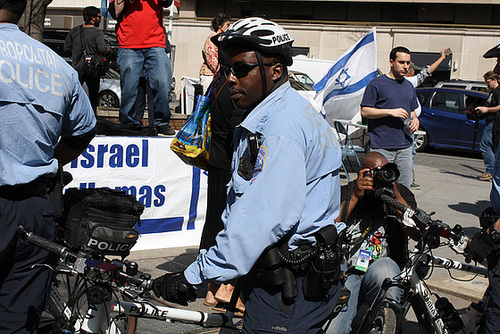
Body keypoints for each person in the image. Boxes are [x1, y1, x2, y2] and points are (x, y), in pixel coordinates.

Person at [152, 17, 345, 333]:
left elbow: (259, 219)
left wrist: (192, 276)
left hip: (288, 289)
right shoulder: (291, 111)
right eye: (227, 68)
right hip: (288, 277)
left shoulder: (282, 128)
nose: (230, 78)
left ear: (276, 71)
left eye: (241, 69)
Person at [0, 0, 97, 332]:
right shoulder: (57, 65)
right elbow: (84, 130)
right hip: (35, 209)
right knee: (17, 320)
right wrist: (51, 160)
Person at [326, 152, 417, 334]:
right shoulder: (345, 190)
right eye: (375, 172)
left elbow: (416, 231)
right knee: (334, 330)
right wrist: (355, 196)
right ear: (362, 172)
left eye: (385, 171)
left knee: (388, 274)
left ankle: (386, 326)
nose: (380, 177)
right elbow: (329, 229)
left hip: (380, 264)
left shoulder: (399, 192)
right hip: (347, 270)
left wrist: (396, 197)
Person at [199, 67, 246, 311]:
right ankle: (224, 287)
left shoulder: (217, 86)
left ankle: (210, 289)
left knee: (214, 223)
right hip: (229, 166)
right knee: (228, 226)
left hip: (217, 163)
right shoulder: (235, 92)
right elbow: (236, 131)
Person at [109, 0, 175, 135]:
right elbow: (115, 12)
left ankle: (161, 122)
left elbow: (167, 2)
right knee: (129, 86)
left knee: (162, 81)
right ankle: (129, 122)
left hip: (155, 42)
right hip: (129, 43)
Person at [361, 46, 420, 189]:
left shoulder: (408, 86)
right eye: (402, 62)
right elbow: (365, 111)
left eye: (408, 63)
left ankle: (401, 211)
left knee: (404, 188)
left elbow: (411, 110)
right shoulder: (377, 84)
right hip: (381, 145)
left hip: (405, 145)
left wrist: (415, 120)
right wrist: (389, 112)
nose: (405, 66)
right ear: (391, 62)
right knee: (380, 187)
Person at [405, 48, 452, 190]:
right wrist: (442, 58)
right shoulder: (408, 82)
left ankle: (406, 178)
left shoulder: (407, 83)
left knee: (409, 152)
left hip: (410, 122)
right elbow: (428, 71)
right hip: (406, 123)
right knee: (408, 152)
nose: (413, 71)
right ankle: (405, 179)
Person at [64, 6, 111, 112]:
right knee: (93, 96)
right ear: (93, 18)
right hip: (93, 69)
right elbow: (103, 49)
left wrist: (76, 52)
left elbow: (66, 48)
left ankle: (73, 115)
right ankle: (91, 118)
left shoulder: (74, 31)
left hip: (77, 68)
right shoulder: (97, 32)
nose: (100, 19)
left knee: (74, 94)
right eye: (99, 17)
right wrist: (109, 51)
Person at [476, 71, 500, 181]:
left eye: (488, 82)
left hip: (494, 122)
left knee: (485, 144)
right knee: (492, 147)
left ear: (495, 80)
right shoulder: (492, 92)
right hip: (490, 121)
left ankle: (490, 171)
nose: (487, 85)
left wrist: (487, 109)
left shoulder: (497, 92)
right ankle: (493, 170)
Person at [199, 13, 231, 94]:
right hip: (210, 76)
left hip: (219, 76)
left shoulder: (223, 39)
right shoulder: (212, 39)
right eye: (227, 24)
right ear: (220, 26)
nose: (229, 27)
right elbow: (212, 61)